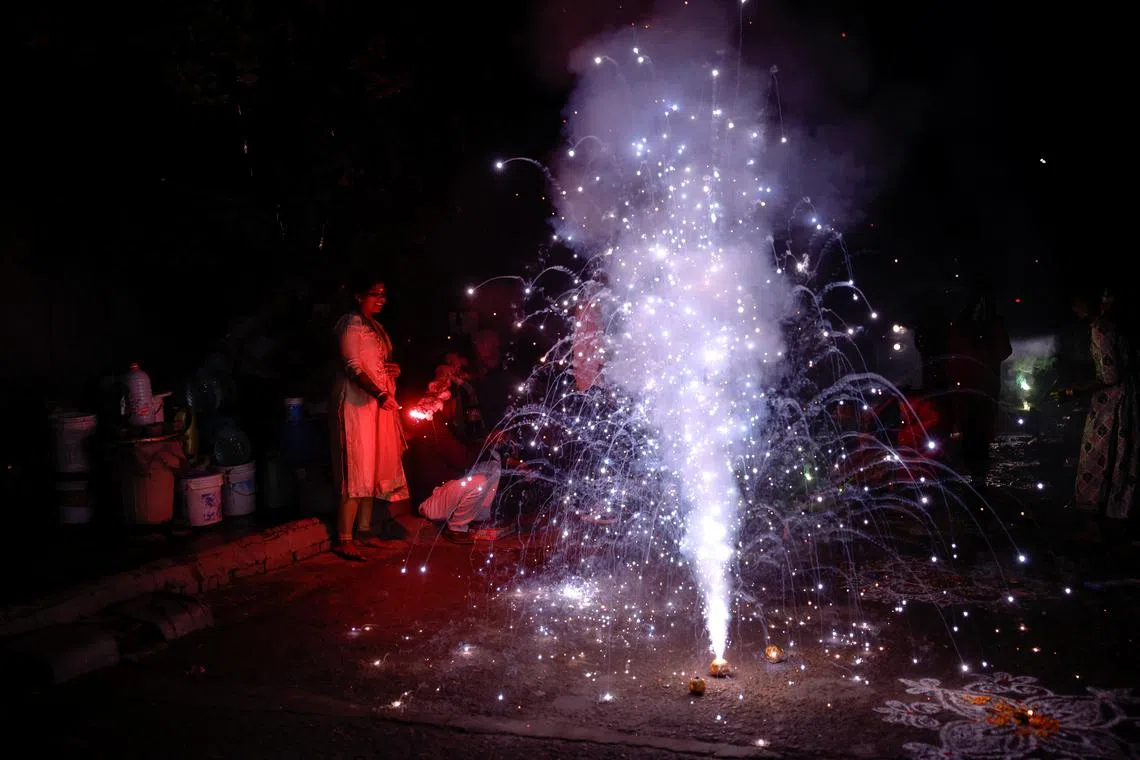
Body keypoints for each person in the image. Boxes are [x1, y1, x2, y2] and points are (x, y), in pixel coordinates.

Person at [329, 276, 409, 561]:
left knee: (372, 465)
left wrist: (392, 370)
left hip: (376, 404)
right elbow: (353, 367)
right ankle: (345, 538)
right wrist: (379, 393)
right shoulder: (351, 324)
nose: (381, 299)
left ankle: (364, 531)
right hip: (356, 404)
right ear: (358, 295)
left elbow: (375, 363)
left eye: (384, 294)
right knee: (357, 465)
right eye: (375, 294)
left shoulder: (375, 327)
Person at [1066, 286, 1137, 530]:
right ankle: (1116, 511)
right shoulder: (1114, 325)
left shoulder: (1101, 329)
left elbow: (1109, 376)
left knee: (1099, 455)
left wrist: (1074, 391)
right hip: (1125, 397)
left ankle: (1099, 518)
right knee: (1120, 453)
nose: (1075, 309)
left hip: (1112, 402)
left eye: (1078, 303)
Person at [406, 396, 503, 544]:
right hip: (430, 501)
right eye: (454, 402)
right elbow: (463, 460)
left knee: (493, 464)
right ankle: (456, 528)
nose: (457, 408)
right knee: (480, 482)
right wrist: (487, 441)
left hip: (442, 491)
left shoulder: (445, 425)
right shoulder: (434, 427)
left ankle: (478, 516)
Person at [947, 285, 1013, 488]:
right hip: (973, 383)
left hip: (982, 383)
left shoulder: (988, 322)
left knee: (979, 426)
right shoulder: (967, 323)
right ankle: (975, 468)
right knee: (973, 425)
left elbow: (1004, 350)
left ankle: (977, 469)